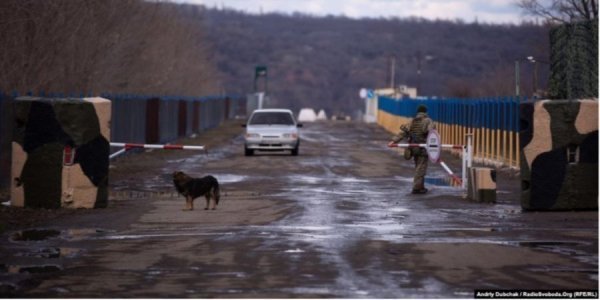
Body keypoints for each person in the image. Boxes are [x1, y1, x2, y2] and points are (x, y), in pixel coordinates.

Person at [388, 104, 435, 194]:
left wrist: (393, 141)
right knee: (421, 168)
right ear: (425, 112)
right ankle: (417, 188)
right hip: (422, 147)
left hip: (413, 147)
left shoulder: (412, 121)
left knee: (418, 166)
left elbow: (402, 133)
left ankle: (421, 186)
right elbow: (431, 132)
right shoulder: (428, 121)